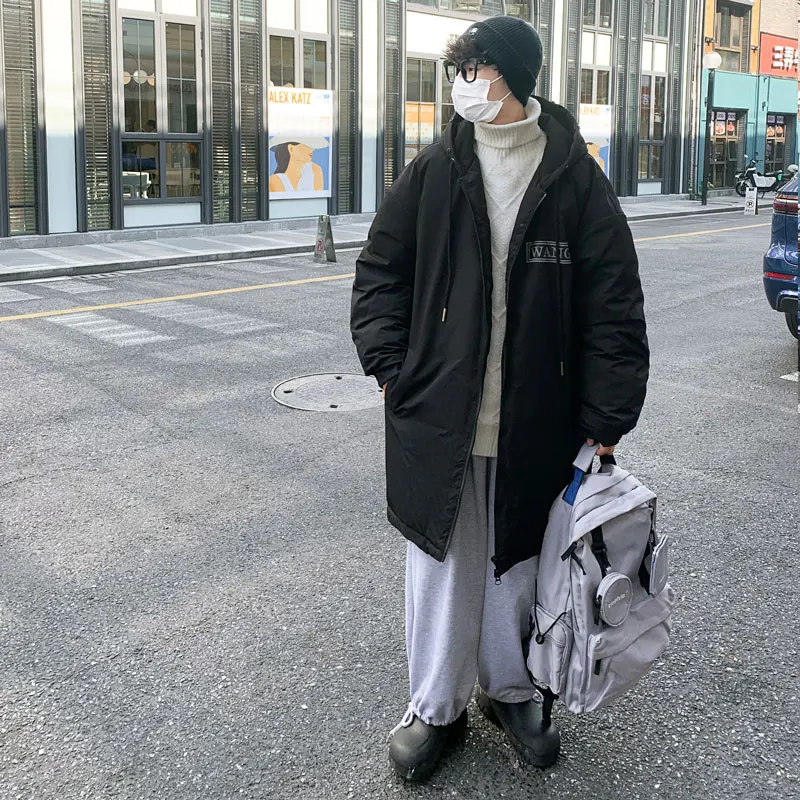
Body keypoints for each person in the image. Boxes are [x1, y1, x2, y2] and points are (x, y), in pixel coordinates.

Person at [350, 15, 649, 784]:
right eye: (460, 69)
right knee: (441, 567)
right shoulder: (436, 168)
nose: (463, 83)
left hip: (535, 422)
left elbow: (613, 305)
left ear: (513, 78)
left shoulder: (572, 177)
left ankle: (512, 692)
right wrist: (392, 369)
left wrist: (606, 419)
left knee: (519, 563)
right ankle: (434, 705)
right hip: (439, 416)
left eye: (475, 68)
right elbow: (381, 270)